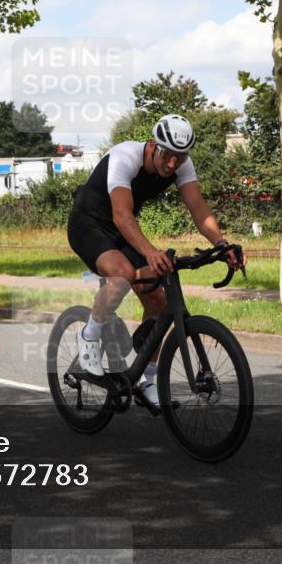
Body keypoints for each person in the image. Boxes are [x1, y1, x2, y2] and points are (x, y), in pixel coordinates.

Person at [67, 114, 243, 409]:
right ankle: (89, 337)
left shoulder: (181, 165)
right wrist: (150, 251)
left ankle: (144, 379)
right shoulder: (126, 156)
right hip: (89, 224)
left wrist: (222, 245)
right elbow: (122, 215)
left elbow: (200, 212)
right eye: (168, 155)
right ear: (153, 145)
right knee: (122, 274)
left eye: (180, 157)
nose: (173, 164)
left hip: (123, 229)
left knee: (159, 299)